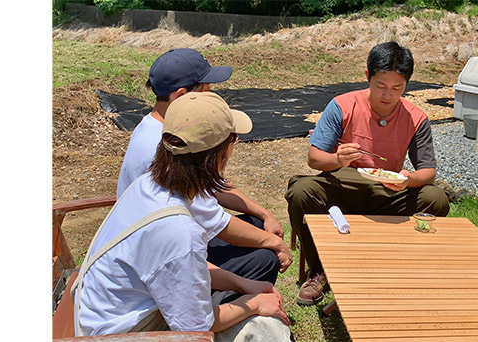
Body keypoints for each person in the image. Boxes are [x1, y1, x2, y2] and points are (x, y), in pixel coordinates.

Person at [73, 92, 292, 341]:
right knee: (266, 331)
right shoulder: (179, 231)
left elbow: (186, 269)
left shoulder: (147, 185)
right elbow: (196, 328)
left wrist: (241, 284)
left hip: (105, 314)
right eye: (234, 140)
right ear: (216, 156)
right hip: (121, 335)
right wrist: (253, 304)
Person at [285, 41, 450, 305]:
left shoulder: (416, 117)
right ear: (367, 77)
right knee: (302, 191)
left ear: (407, 84)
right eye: (381, 86)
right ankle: (319, 269)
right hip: (344, 190)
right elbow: (314, 158)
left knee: (436, 199)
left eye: (397, 88)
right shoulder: (342, 106)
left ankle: (398, 260)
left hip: (387, 192)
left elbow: (428, 172)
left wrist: (409, 181)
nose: (388, 95)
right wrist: (337, 159)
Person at [116, 48, 290, 285]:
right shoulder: (165, 147)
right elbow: (215, 222)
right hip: (161, 253)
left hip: (172, 235)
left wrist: (264, 213)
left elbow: (213, 186)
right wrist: (275, 243)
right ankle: (229, 305)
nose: (211, 94)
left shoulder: (163, 128)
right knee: (265, 258)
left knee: (258, 226)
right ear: (180, 95)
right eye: (206, 89)